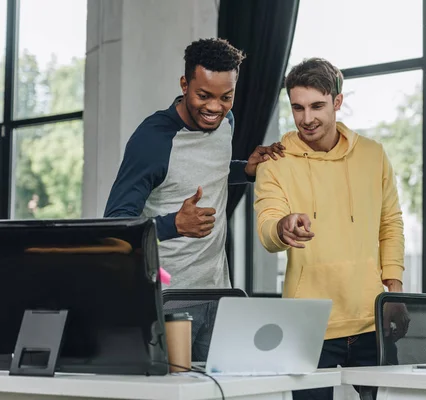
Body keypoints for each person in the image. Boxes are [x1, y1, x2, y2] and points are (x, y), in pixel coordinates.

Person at [104, 38, 284, 361]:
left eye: (225, 97)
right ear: (185, 84)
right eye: (204, 96)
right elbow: (117, 224)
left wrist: (247, 170)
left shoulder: (225, 123)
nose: (215, 107)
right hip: (167, 299)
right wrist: (174, 224)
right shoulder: (152, 139)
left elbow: (209, 171)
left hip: (218, 293)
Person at [254, 57, 409, 399]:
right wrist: (282, 227)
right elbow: (267, 225)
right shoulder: (275, 162)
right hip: (307, 325)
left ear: (337, 102)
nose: (306, 119)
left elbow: (390, 222)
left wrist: (393, 290)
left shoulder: (373, 154)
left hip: (371, 319)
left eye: (317, 106)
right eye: (297, 108)